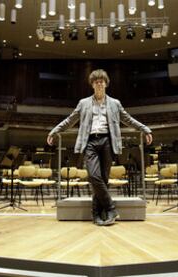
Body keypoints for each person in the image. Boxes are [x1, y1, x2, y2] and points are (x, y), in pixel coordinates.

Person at [47, 69, 152, 226]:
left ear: (106, 84)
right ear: (92, 85)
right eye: (96, 81)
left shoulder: (115, 103)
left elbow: (128, 119)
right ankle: (110, 208)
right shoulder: (83, 103)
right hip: (90, 142)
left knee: (103, 179)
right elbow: (70, 120)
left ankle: (97, 214)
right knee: (94, 176)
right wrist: (55, 131)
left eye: (102, 81)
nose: (99, 83)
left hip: (107, 142)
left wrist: (145, 129)